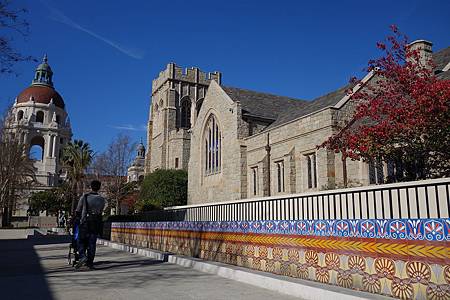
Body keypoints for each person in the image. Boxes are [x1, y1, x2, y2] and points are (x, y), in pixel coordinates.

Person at [75, 180, 105, 269]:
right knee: (92, 243)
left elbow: (78, 210)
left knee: (80, 241)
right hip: (96, 224)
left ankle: (82, 256)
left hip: (85, 223)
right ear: (99, 188)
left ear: (91, 187)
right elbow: (100, 211)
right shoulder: (102, 199)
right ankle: (90, 263)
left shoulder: (84, 197)